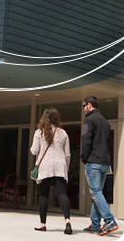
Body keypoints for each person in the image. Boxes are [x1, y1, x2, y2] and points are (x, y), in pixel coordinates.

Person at [30, 108, 72, 234]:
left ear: (44, 118)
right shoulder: (63, 133)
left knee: (43, 195)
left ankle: (42, 224)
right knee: (62, 194)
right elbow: (67, 154)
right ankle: (67, 222)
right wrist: (67, 169)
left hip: (45, 166)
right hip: (60, 165)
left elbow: (34, 151)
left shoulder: (39, 132)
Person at [81, 96, 119, 236]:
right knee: (98, 193)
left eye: (83, 106)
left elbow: (85, 140)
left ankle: (109, 220)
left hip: (94, 162)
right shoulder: (105, 122)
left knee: (96, 193)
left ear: (89, 105)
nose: (83, 109)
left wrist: (84, 158)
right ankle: (95, 225)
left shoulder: (89, 120)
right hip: (105, 162)